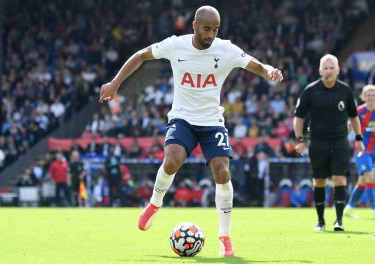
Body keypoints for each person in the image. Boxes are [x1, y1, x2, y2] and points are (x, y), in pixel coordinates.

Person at [99, 6, 283, 256]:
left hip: (212, 121)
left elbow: (254, 64)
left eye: (215, 30)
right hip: (182, 118)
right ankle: (154, 204)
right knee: (172, 160)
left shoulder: (225, 49)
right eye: (207, 28)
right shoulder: (176, 45)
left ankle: (225, 237)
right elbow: (142, 55)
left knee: (222, 170)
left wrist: (269, 70)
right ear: (194, 25)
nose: (211, 34)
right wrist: (114, 83)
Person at [294, 54, 365, 232]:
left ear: (338, 70)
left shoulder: (345, 90)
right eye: (325, 68)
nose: (328, 71)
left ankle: (339, 220)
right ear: (320, 71)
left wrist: (358, 138)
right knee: (319, 181)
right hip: (317, 142)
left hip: (340, 141)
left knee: (340, 179)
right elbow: (299, 117)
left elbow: (354, 116)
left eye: (331, 67)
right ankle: (320, 221)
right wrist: (300, 140)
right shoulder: (310, 91)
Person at [344, 85, 375, 219]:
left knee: (362, 181)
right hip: (362, 150)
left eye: (373, 95)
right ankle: (374, 208)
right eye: (368, 95)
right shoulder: (358, 111)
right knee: (370, 178)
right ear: (363, 97)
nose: (371, 97)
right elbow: (349, 129)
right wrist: (347, 128)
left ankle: (349, 208)